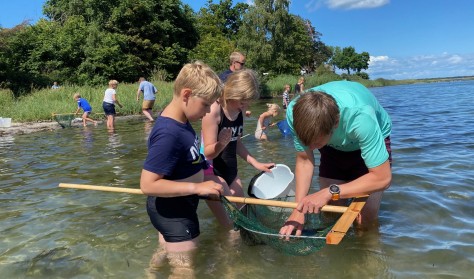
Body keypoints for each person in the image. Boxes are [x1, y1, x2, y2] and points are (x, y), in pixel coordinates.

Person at [140, 61, 224, 276]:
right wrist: (197, 188)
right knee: (185, 270)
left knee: (165, 253)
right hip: (173, 212)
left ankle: (150, 274)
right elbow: (148, 185)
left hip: (178, 206)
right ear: (187, 94)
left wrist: (208, 179)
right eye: (206, 105)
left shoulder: (182, 121)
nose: (207, 112)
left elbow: (190, 159)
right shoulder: (169, 133)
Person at [279, 80, 392, 238]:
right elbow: (305, 160)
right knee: (331, 212)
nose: (311, 148)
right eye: (307, 142)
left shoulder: (361, 118)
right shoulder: (294, 112)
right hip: (331, 144)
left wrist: (330, 192)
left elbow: (383, 178)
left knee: (364, 219)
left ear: (336, 123)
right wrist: (298, 210)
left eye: (316, 144)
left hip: (365, 136)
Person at [202, 69, 274, 228]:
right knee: (232, 227)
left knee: (245, 217)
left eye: (248, 102)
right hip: (211, 172)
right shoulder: (214, 111)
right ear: (232, 93)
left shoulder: (239, 112)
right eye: (243, 101)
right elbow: (207, 151)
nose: (245, 106)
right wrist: (221, 144)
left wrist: (256, 163)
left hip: (230, 169)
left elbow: (237, 143)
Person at [219, 51, 251, 117]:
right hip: (224, 115)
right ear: (234, 63)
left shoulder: (237, 77)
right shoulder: (225, 77)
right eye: (242, 64)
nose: (243, 66)